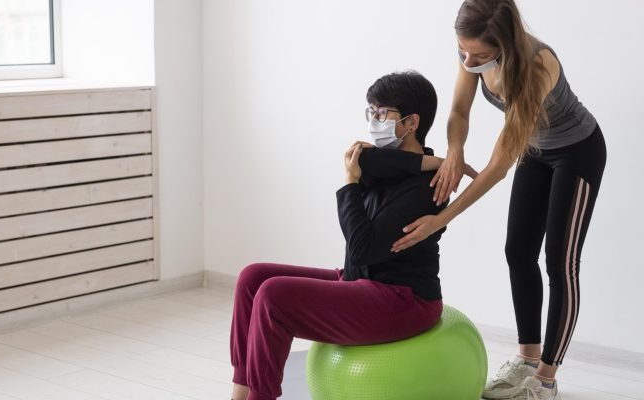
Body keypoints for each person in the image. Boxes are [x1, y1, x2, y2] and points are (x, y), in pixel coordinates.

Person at [390, 1, 607, 399]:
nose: (468, 60)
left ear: (504, 46)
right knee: (518, 252)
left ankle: (545, 380)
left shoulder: (537, 66)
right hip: (537, 151)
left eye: (479, 55)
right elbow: (459, 110)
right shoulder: (472, 50)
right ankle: (526, 359)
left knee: (560, 263)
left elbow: (498, 165)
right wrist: (454, 151)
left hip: (577, 152)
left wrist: (441, 219)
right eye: (463, 50)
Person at [228, 71, 477, 400]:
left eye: (382, 113)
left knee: (273, 296)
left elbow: (361, 249)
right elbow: (366, 154)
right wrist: (436, 160)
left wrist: (350, 183)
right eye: (370, 111)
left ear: (412, 122)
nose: (373, 121)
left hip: (404, 299)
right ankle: (239, 393)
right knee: (252, 277)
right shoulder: (384, 165)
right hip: (360, 279)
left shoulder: (430, 185)